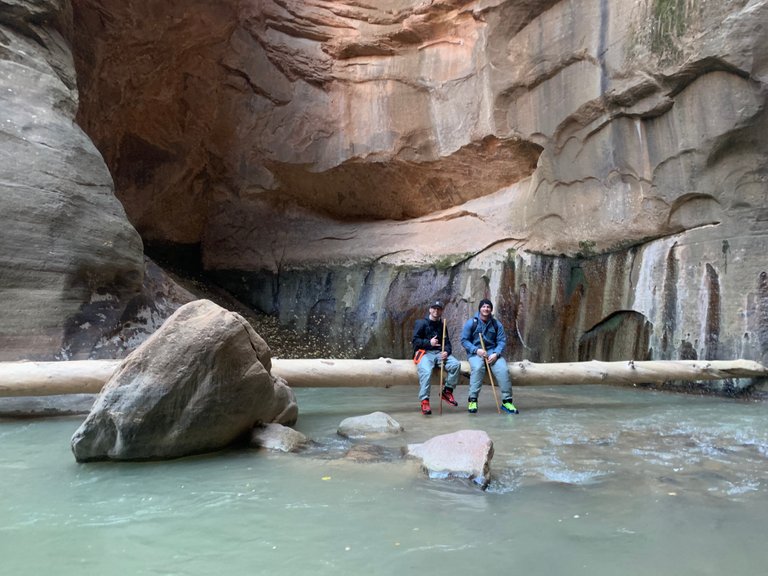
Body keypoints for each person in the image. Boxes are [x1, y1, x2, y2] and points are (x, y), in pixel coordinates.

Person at [460, 299, 518, 414]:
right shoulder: (472, 323)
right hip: (476, 353)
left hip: (492, 353)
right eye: (484, 306)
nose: (486, 309)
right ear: (480, 308)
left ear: (491, 309)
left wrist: (496, 353)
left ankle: (507, 401)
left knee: (503, 369)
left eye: (488, 307)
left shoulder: (496, 324)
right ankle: (473, 400)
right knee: (477, 368)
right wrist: (476, 350)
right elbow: (464, 340)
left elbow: (501, 341)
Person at [411, 300, 461, 415]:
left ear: (441, 311)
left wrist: (446, 352)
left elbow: (447, 343)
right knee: (427, 371)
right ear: (430, 309)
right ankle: (424, 400)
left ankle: (447, 391)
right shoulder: (421, 323)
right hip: (424, 352)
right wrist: (429, 343)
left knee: (456, 365)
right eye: (434, 308)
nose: (436, 310)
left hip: (439, 353)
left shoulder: (442, 325)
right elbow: (415, 341)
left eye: (438, 309)